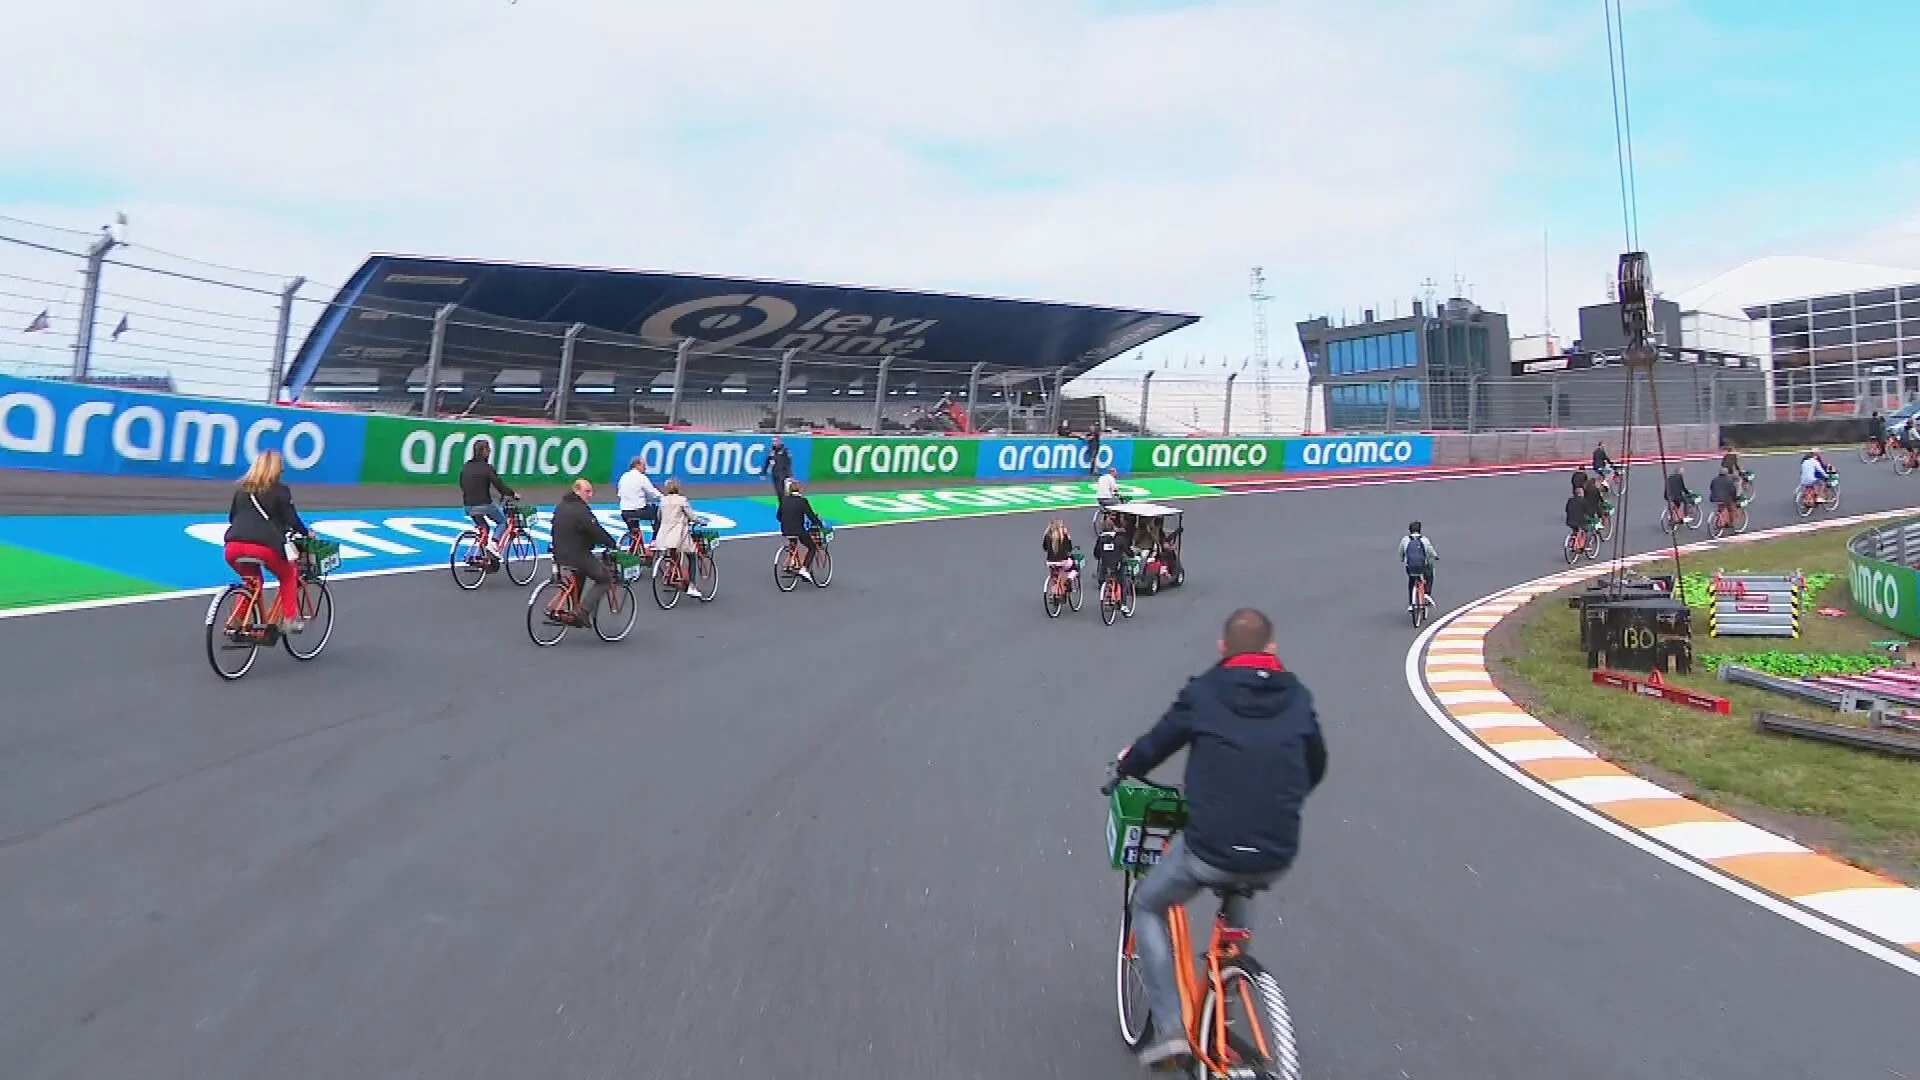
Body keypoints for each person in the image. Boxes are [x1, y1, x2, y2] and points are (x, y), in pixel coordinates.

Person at [1111, 608, 1327, 1071]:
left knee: (1148, 904)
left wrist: (1127, 766)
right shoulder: (1299, 696)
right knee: (1242, 885)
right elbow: (1316, 763)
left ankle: (1170, 1028)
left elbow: (1156, 744)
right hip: (1276, 847)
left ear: (1222, 648)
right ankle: (1230, 981)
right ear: (1272, 650)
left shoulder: (1205, 692)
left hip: (1211, 846)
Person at [223, 449, 312, 633]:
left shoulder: (242, 490)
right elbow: (292, 520)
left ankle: (237, 619)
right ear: (277, 470)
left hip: (233, 546)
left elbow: (232, 517)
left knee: (252, 581)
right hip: (263, 547)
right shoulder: (281, 491)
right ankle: (289, 620)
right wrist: (306, 533)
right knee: (288, 574)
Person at [548, 477, 620, 623]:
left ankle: (574, 608)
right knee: (605, 579)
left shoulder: (561, 505)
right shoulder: (581, 510)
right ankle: (583, 611)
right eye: (587, 491)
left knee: (579, 574)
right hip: (577, 555)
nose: (590, 495)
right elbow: (595, 530)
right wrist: (611, 544)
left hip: (559, 553)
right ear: (577, 490)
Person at [458, 441, 517, 557]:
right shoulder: (487, 468)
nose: (490, 451)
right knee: (502, 522)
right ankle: (494, 543)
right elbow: (499, 485)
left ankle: (479, 556)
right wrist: (512, 494)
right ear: (484, 452)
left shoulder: (466, 466)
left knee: (484, 528)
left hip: (468, 506)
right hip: (484, 505)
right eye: (488, 449)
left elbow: (462, 484)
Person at [654, 478, 706, 601]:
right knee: (692, 556)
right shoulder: (682, 500)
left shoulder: (663, 501)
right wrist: (701, 522)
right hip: (678, 535)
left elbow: (659, 517)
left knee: (672, 554)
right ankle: (692, 586)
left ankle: (670, 573)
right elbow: (692, 516)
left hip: (664, 534)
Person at [777, 479, 827, 583]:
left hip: (785, 530)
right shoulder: (803, 501)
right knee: (812, 547)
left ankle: (792, 563)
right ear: (800, 490)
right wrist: (819, 524)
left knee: (793, 543)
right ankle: (804, 569)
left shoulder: (784, 500)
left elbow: (778, 517)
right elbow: (811, 516)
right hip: (798, 530)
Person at [616, 456, 663, 547]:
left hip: (625, 512)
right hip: (638, 510)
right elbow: (653, 493)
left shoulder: (623, 477)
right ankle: (654, 539)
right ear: (637, 465)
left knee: (634, 532)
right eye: (643, 465)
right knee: (658, 512)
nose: (645, 468)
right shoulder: (641, 477)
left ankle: (635, 549)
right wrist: (664, 498)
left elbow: (620, 494)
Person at [1399, 521, 1436, 610]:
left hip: (1410, 567)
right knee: (1430, 574)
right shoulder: (1424, 540)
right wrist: (1435, 556)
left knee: (1411, 581)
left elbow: (1401, 552)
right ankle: (1427, 593)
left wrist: (1403, 558)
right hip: (1422, 567)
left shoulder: (1405, 540)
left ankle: (1411, 604)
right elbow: (1430, 552)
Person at [1043, 518, 1077, 594]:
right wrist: (1068, 537)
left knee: (1054, 572)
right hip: (1063, 561)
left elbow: (1045, 548)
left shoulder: (1047, 536)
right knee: (1074, 567)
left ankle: (1055, 589)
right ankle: (1069, 579)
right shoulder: (1063, 536)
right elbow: (1069, 549)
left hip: (1050, 562)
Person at [1565, 471, 1597, 551]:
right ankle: (1586, 546)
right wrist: (1592, 517)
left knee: (1575, 529)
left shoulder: (1570, 500)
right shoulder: (1583, 502)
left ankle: (1573, 540)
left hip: (1569, 520)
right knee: (1589, 530)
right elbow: (1589, 512)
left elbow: (1566, 509)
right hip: (1580, 521)